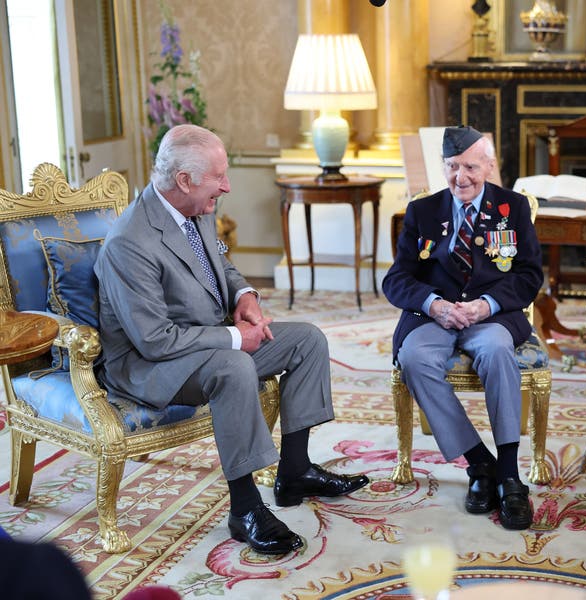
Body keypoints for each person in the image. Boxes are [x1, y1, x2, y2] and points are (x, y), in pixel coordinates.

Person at [94, 124, 369, 555]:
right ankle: (244, 508)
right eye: (218, 177)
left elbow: (222, 263)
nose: (227, 185)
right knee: (234, 364)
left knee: (307, 339)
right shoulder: (130, 243)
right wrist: (234, 339)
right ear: (183, 180)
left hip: (205, 343)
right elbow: (154, 341)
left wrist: (245, 296)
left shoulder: (196, 211)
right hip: (149, 366)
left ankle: (295, 471)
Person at [382, 126, 543, 530]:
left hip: (489, 315)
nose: (461, 177)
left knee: (496, 352)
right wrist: (433, 305)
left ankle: (509, 476)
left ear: (489, 166)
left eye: (471, 166)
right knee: (414, 359)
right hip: (435, 316)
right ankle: (480, 463)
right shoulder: (424, 211)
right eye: (452, 167)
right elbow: (396, 278)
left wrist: (484, 305)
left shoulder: (514, 207)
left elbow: (528, 276)